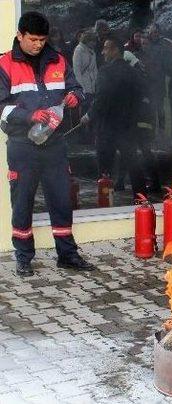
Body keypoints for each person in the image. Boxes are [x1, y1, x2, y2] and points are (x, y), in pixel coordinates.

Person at [0, 12, 96, 276]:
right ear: (20, 35)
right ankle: (23, 257)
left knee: (62, 200)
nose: (38, 45)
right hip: (22, 146)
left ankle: (67, 255)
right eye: (32, 39)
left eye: (42, 40)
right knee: (22, 202)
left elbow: (76, 88)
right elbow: (1, 108)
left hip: (55, 145)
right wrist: (28, 115)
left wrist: (76, 97)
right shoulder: (5, 64)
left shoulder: (58, 59)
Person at [82, 38, 146, 199]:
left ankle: (105, 204)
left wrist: (89, 115)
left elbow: (102, 98)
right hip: (128, 126)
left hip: (107, 127)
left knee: (105, 170)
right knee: (133, 165)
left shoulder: (106, 72)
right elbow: (140, 96)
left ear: (116, 50)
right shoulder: (133, 72)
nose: (103, 52)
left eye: (106, 48)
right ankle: (141, 201)